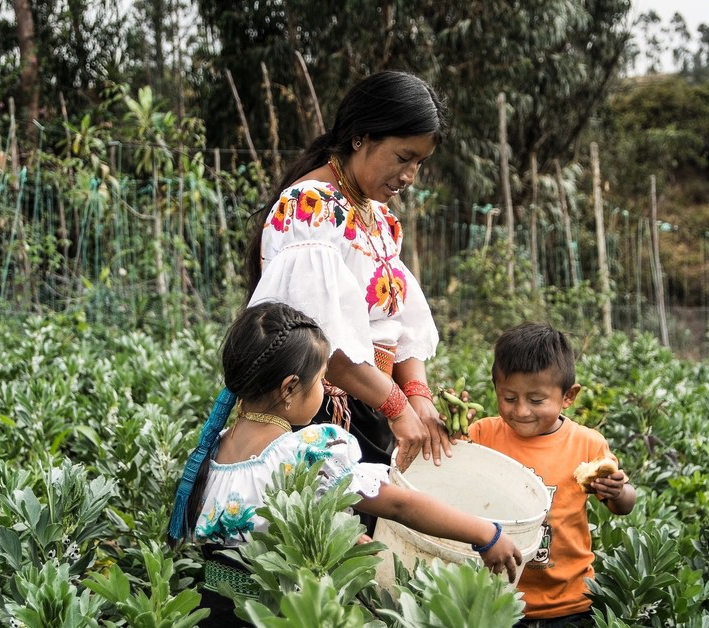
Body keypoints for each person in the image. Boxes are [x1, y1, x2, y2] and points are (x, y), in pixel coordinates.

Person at [168, 302, 522, 627]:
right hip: (281, 614)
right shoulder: (306, 452)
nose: (324, 388)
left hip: (215, 613)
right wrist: (484, 534)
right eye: (322, 379)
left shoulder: (212, 450)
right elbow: (400, 504)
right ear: (291, 388)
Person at [244, 70, 450, 480]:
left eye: (420, 163)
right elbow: (320, 346)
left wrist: (417, 395)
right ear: (361, 137)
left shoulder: (380, 218)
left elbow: (397, 321)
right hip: (321, 413)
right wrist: (396, 405)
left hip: (368, 404)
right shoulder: (312, 207)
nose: (409, 176)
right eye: (403, 157)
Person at [467, 322, 637, 627]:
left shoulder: (587, 444)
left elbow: (622, 506)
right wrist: (448, 431)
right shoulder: (482, 435)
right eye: (508, 398)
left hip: (570, 602)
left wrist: (618, 490)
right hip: (495, 599)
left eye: (536, 400)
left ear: (568, 396)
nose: (521, 411)